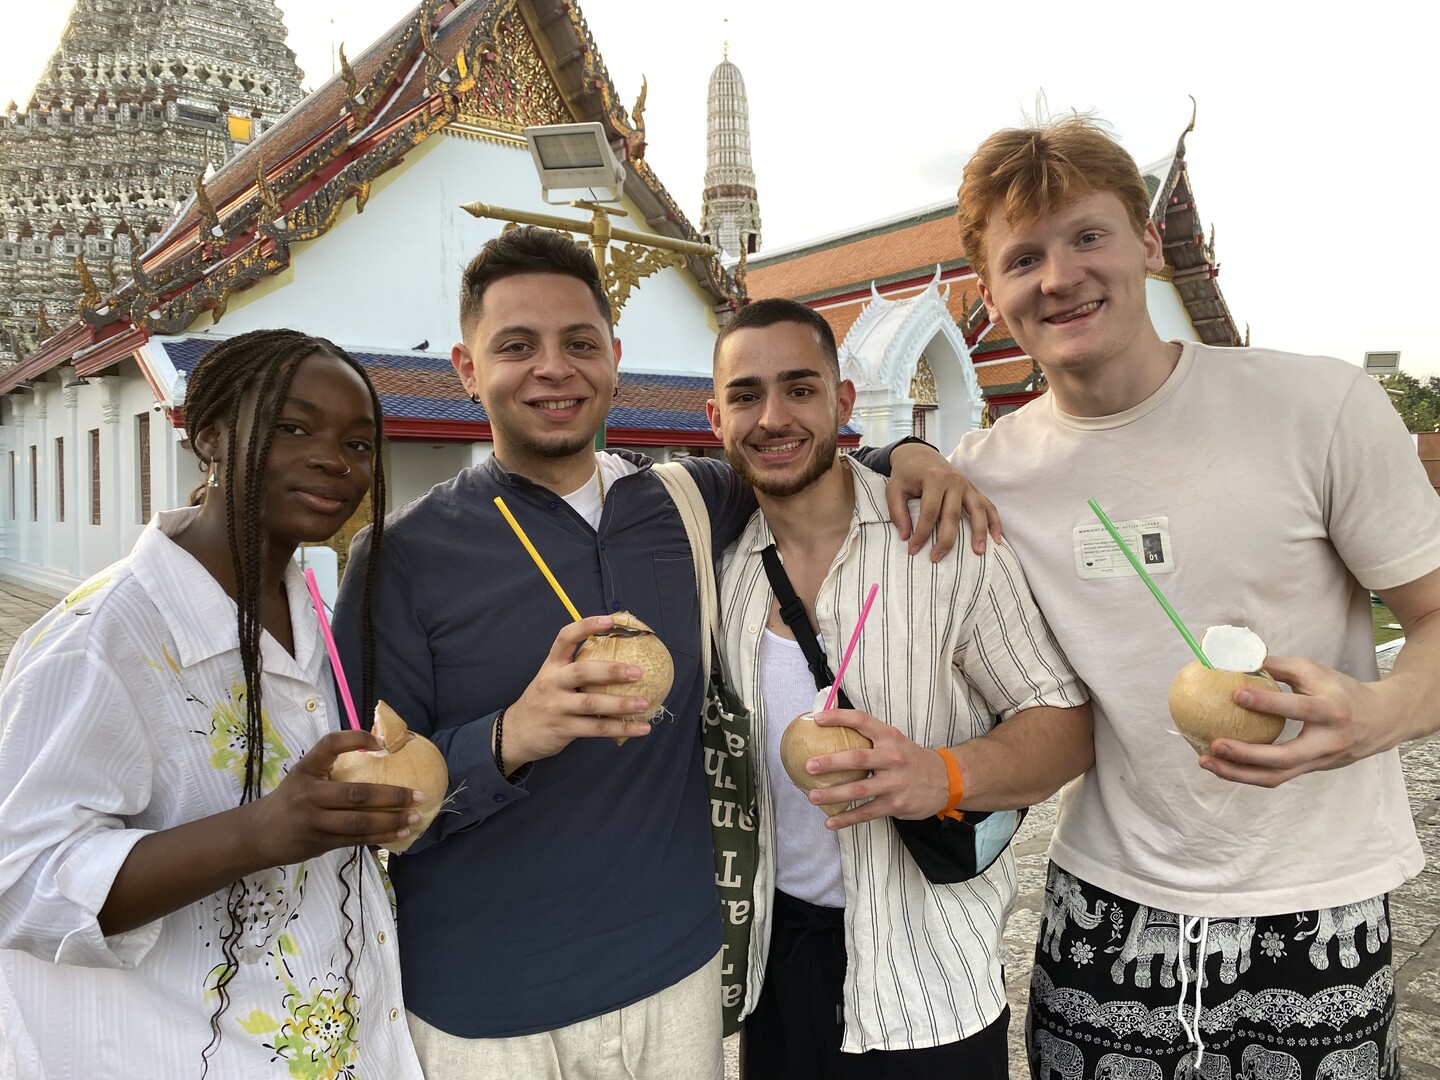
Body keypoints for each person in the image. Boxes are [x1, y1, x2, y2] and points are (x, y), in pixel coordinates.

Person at [332, 226, 987, 1079]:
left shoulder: (686, 502)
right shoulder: (398, 559)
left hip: (675, 981)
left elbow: (796, 453)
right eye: (516, 347)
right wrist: (511, 737)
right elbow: (369, 809)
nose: (553, 368)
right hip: (488, 1008)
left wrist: (910, 452)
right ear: (466, 367)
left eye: (578, 343)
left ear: (614, 357)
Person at [949, 116, 1440, 1079]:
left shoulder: (1318, 409)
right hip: (1106, 906)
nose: (1060, 277)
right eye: (1024, 258)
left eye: (1089, 237)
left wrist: (1375, 713)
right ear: (990, 296)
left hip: (1317, 902)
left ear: (1146, 242)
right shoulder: (988, 474)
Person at [0, 329, 426, 1079]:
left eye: (359, 444)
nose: (335, 459)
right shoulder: (101, 638)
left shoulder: (313, 611)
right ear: (210, 436)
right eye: (293, 428)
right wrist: (259, 832)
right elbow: (21, 884)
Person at [705, 297, 1093, 1078]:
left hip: (931, 979)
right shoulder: (715, 567)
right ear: (716, 416)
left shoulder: (944, 540)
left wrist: (942, 776)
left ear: (844, 402)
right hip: (777, 976)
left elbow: (1065, 721)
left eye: (801, 389)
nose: (773, 417)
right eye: (747, 395)